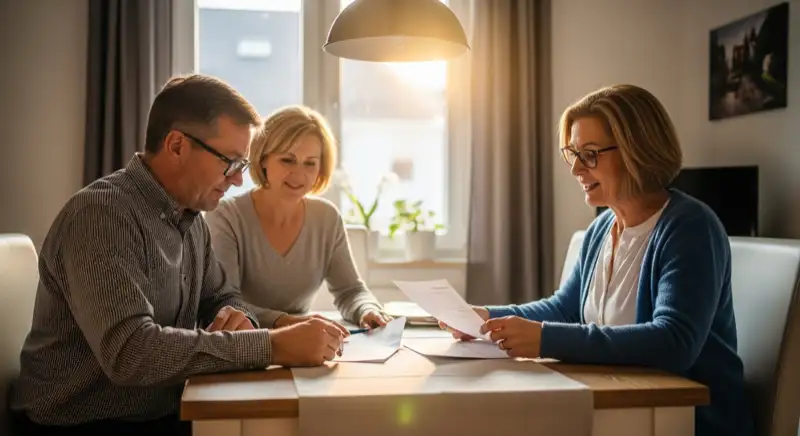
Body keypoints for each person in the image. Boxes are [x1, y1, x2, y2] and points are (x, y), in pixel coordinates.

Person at [9, 75, 346, 435]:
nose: (237, 180)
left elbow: (222, 295)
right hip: (84, 423)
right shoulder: (101, 216)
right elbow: (131, 354)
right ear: (176, 146)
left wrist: (235, 316)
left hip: (161, 412)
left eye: (242, 166)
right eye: (229, 162)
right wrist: (269, 346)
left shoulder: (190, 219)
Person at [442, 84, 753, 436]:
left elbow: (674, 342)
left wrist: (545, 340)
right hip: (620, 404)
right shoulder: (603, 226)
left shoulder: (690, 228)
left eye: (590, 154)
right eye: (572, 153)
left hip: (686, 420)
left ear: (639, 150)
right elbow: (565, 308)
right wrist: (485, 317)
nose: (576, 168)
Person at [204, 105, 390, 332]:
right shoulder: (226, 216)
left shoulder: (327, 218)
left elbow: (350, 291)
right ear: (263, 159)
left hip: (304, 344)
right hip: (244, 346)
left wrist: (367, 310)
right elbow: (224, 304)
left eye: (310, 163)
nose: (299, 175)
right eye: (287, 160)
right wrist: (288, 323)